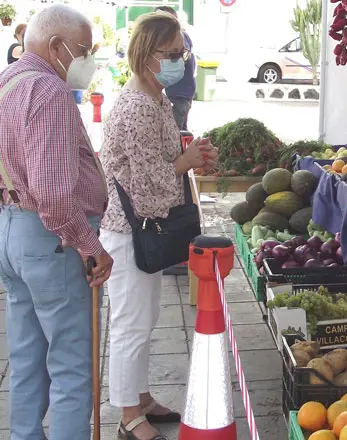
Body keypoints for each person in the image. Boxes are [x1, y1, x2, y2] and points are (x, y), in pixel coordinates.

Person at [99, 12, 217, 440]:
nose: (179, 62)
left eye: (182, 53)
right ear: (146, 54)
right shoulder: (137, 107)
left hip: (141, 229)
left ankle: (141, 397)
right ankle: (129, 416)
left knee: (144, 320)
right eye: (170, 54)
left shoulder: (156, 98)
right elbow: (147, 187)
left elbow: (158, 162)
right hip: (128, 232)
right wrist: (185, 162)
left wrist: (190, 154)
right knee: (130, 325)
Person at [0, 5, 113, 440]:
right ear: (55, 46)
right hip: (51, 240)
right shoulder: (48, 90)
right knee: (72, 365)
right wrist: (90, 244)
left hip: (14, 230)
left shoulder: (8, 81)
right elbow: (52, 194)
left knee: (26, 357)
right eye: (84, 51)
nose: (88, 60)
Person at [154, 5, 196, 131]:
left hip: (181, 94)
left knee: (174, 131)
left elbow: (185, 55)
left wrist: (172, 57)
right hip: (177, 93)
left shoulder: (179, 36)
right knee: (181, 132)